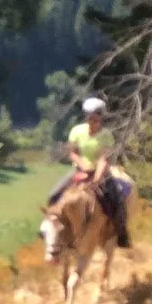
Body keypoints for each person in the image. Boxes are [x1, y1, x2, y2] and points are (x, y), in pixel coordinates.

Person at [46, 97, 132, 249]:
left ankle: (121, 233)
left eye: (95, 114)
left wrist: (97, 178)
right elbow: (72, 153)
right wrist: (81, 164)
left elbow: (104, 159)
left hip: (100, 173)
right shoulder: (76, 131)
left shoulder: (106, 135)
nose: (91, 118)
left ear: (101, 115)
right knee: (53, 195)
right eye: (89, 114)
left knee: (117, 201)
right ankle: (53, 230)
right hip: (79, 170)